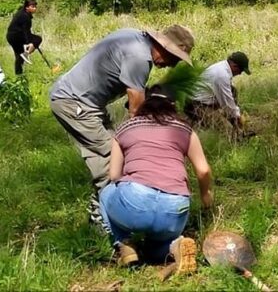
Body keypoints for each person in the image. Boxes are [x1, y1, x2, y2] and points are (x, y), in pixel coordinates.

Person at [49, 25, 194, 228]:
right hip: (74, 103)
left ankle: (98, 216)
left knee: (105, 159)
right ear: (165, 48)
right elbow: (135, 112)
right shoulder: (140, 57)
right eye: (175, 58)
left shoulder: (134, 38)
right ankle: (107, 223)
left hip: (85, 103)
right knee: (114, 158)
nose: (172, 65)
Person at [99, 83, 212, 269]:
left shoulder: (126, 127)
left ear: (144, 103)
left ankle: (124, 244)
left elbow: (113, 175)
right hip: (174, 208)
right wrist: (206, 197)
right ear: (173, 105)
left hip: (134, 201)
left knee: (105, 194)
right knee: (154, 250)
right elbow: (203, 171)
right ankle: (175, 246)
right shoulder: (185, 129)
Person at [186, 52, 250, 129]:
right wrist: (237, 117)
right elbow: (227, 103)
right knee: (227, 130)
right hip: (196, 105)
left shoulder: (222, 66)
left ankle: (232, 123)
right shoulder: (221, 75)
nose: (239, 74)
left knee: (233, 90)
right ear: (235, 66)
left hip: (205, 101)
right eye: (240, 71)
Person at [6, 0, 43, 75]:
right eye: (32, 6)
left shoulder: (22, 13)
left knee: (19, 56)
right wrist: (30, 42)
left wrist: (30, 41)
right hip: (16, 36)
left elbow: (25, 30)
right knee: (38, 39)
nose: (35, 8)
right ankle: (27, 52)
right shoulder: (25, 17)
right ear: (27, 7)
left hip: (11, 36)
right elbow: (26, 31)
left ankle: (19, 75)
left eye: (35, 6)